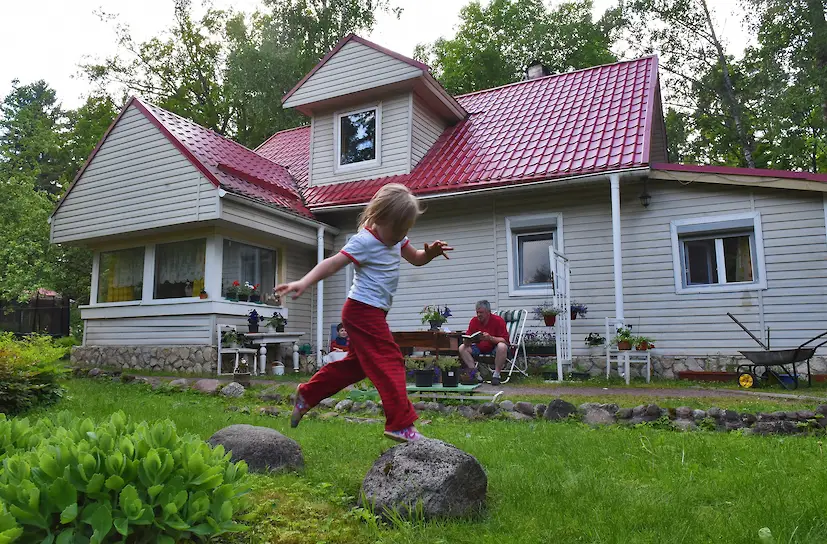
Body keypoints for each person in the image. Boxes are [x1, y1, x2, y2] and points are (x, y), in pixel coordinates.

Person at [276, 183, 453, 442]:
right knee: (390, 360)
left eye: (407, 230)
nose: (402, 235)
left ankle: (308, 394)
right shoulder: (365, 241)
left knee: (356, 366)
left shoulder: (396, 237)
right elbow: (332, 263)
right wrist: (304, 282)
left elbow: (415, 258)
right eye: (399, 229)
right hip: (361, 311)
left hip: (373, 313)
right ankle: (400, 424)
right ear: (380, 218)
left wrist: (430, 254)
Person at [458, 300, 510, 385]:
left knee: (502, 346)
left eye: (481, 312)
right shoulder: (474, 321)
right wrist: (467, 341)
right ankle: (476, 375)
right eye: (477, 312)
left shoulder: (498, 321)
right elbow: (468, 336)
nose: (479, 315)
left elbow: (505, 341)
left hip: (494, 348)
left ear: (488, 312)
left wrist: (490, 338)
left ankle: (496, 375)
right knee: (462, 347)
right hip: (479, 348)